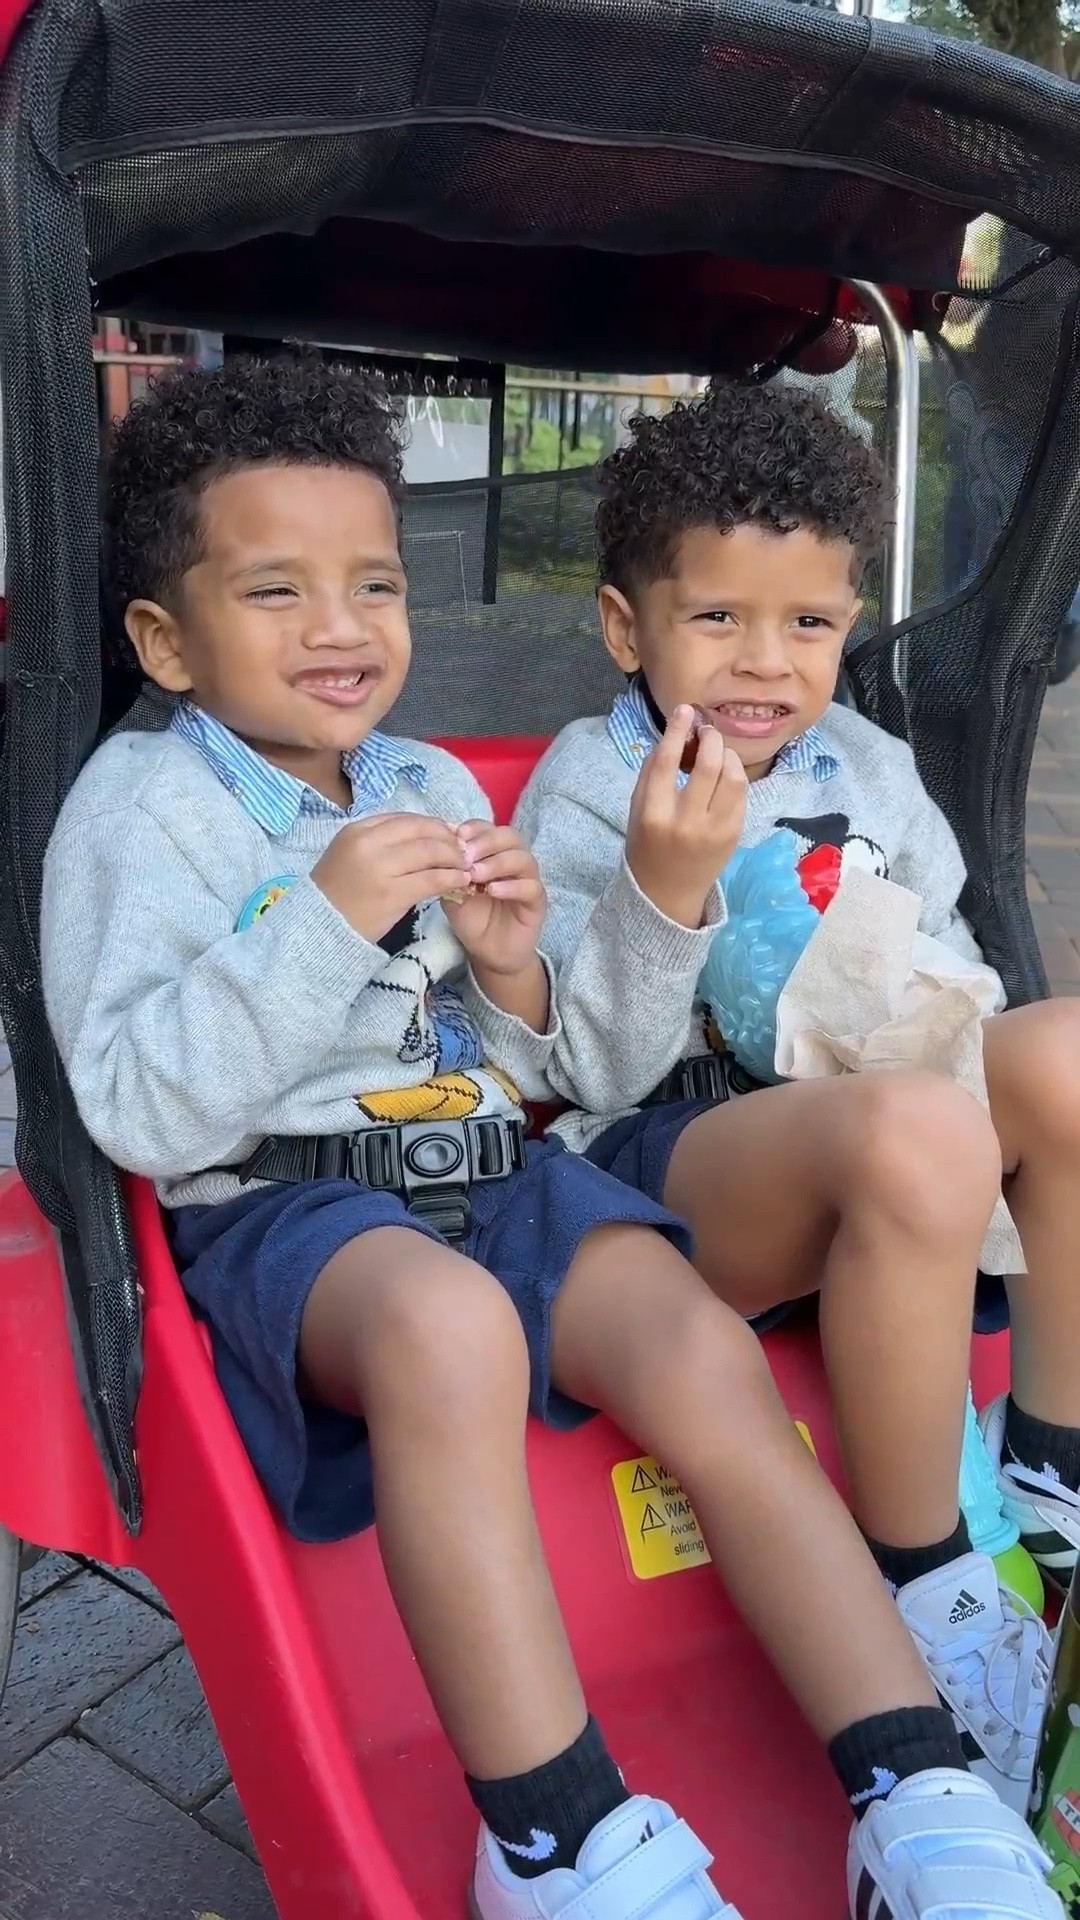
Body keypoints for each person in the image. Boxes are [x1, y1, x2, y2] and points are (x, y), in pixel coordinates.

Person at [40, 358, 1064, 1920]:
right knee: (448, 1329)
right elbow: (138, 1104)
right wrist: (325, 919)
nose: (340, 628)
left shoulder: (431, 779)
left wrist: (517, 963)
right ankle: (553, 1829)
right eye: (276, 591)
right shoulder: (139, 813)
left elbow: (562, 1064)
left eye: (374, 584)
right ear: (166, 640)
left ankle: (919, 1785)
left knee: (693, 1352)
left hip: (500, 1172)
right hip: (288, 1206)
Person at [515, 377, 1080, 1800]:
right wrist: (666, 886)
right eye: (716, 619)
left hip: (892, 1105)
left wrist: (920, 1003)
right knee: (916, 1128)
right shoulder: (592, 784)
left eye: (810, 623)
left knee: (1065, 1051)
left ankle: (1053, 1463)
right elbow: (582, 1065)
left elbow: (958, 973)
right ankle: (926, 1581)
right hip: (678, 1153)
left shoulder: (872, 767)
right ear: (623, 625)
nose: (764, 660)